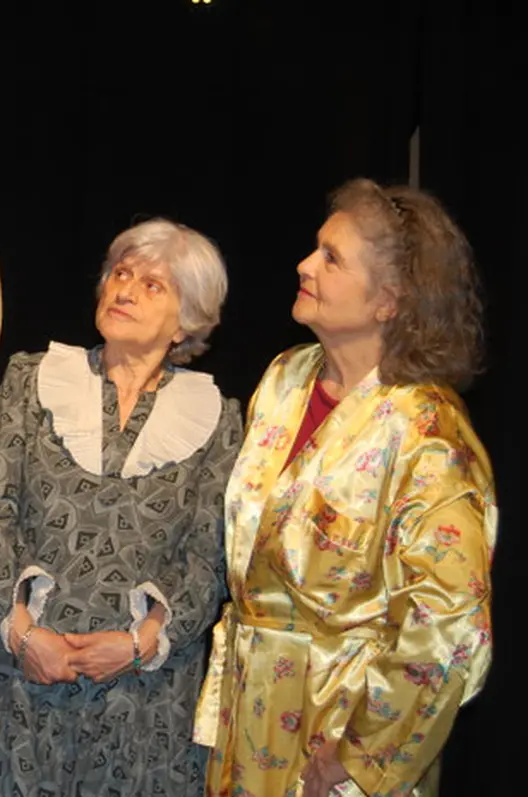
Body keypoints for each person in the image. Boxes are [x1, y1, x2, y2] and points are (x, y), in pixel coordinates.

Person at [195, 179, 497, 797]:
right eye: (316, 249)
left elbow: (452, 621)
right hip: (250, 714)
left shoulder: (428, 431)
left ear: (389, 300)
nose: (304, 265)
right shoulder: (285, 378)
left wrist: (360, 752)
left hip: (336, 735)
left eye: (331, 258)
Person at [0, 219, 242, 796]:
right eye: (121, 274)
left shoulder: (217, 416)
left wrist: (142, 642)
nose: (126, 290)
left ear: (186, 321)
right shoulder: (31, 379)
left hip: (144, 699)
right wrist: (23, 633)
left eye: (153, 286)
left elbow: (209, 557)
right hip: (26, 681)